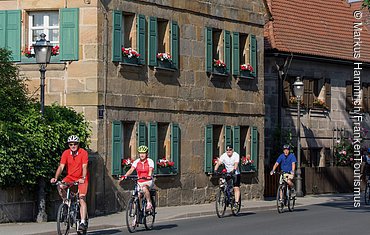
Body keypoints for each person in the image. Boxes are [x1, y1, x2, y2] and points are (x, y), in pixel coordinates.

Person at [50, 135, 89, 231]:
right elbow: (61, 167)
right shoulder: (66, 153)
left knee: (82, 198)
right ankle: (66, 202)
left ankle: (83, 222)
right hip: (70, 177)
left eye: (75, 144)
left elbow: (85, 166)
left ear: (78, 144)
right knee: (60, 185)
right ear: (68, 145)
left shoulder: (83, 152)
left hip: (81, 178)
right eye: (71, 144)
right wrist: (55, 178)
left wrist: (83, 178)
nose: (73, 146)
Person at [120, 145, 154, 211]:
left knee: (144, 188)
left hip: (148, 180)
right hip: (139, 181)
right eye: (140, 153)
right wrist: (125, 176)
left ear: (146, 154)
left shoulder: (150, 161)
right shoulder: (136, 162)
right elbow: (131, 170)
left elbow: (150, 170)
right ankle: (137, 214)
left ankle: (149, 202)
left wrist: (149, 176)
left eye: (143, 153)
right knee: (137, 195)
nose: (142, 155)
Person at [214, 145, 241, 210]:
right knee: (224, 185)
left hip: (235, 173)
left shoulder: (236, 155)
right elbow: (219, 163)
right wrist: (215, 170)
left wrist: (234, 170)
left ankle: (236, 203)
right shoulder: (224, 155)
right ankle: (227, 197)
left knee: (236, 187)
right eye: (227, 150)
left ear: (232, 150)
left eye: (230, 150)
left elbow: (236, 163)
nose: (229, 151)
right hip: (227, 173)